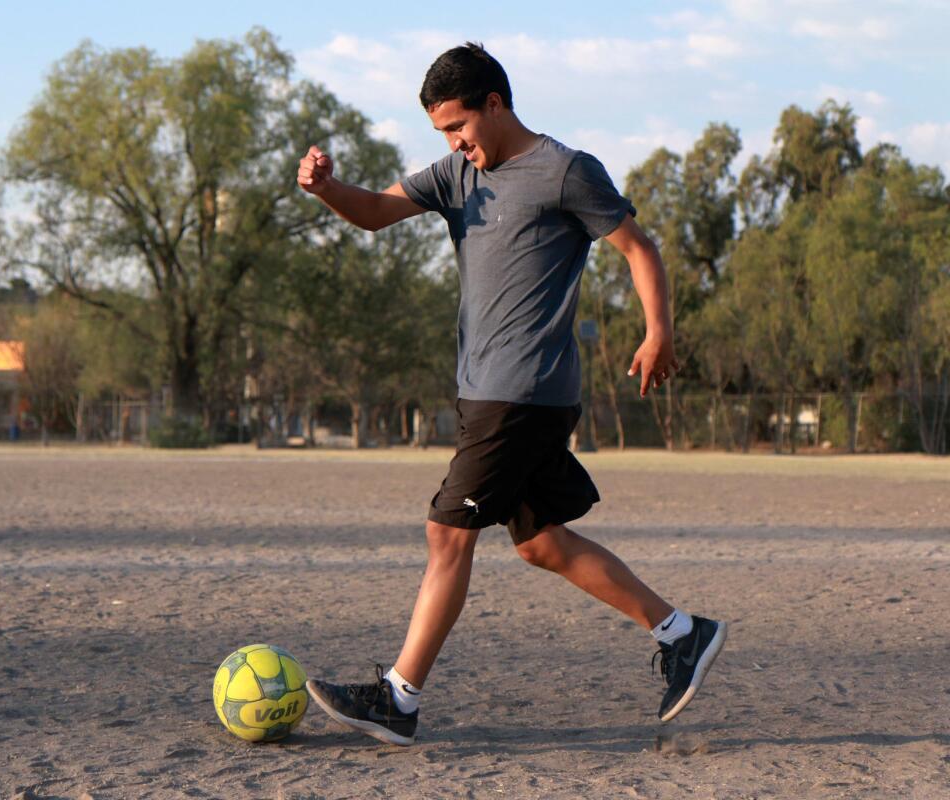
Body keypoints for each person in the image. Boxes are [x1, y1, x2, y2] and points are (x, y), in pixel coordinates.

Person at [296, 42, 726, 746]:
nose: (454, 144)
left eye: (459, 127)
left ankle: (397, 700)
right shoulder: (457, 176)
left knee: (447, 532)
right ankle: (683, 634)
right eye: (442, 133)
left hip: (521, 392)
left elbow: (638, 249)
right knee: (540, 542)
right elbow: (374, 211)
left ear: (495, 104)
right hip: (487, 392)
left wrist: (659, 333)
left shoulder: (565, 171)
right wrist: (325, 190)